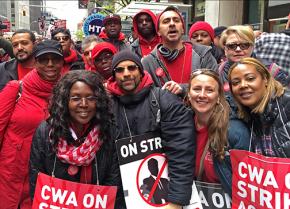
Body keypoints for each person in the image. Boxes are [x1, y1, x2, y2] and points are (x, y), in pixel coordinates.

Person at [107, 50, 196, 209]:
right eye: (119, 70)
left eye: (131, 68)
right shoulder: (106, 106)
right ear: (113, 76)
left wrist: (176, 200)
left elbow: (181, 151)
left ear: (141, 72)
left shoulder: (164, 100)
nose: (126, 74)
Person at [29, 70, 126, 209]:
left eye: (91, 98)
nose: (84, 104)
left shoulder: (110, 132)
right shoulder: (45, 132)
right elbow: (36, 180)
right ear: (64, 101)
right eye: (76, 98)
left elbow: (114, 183)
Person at [0, 40, 64, 209]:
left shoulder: (69, 93)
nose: (50, 64)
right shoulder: (16, 89)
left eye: (55, 59)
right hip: (11, 174)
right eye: (44, 60)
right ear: (35, 62)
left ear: (62, 62)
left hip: (48, 173)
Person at [186, 69, 250, 196]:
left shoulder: (235, 131)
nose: (202, 95)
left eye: (209, 90)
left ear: (218, 96)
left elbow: (246, 185)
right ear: (188, 94)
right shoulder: (181, 125)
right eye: (197, 89)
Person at [142, 6, 218, 97]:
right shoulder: (148, 62)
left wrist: (183, 89)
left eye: (176, 20)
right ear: (158, 31)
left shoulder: (203, 55)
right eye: (166, 21)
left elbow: (215, 86)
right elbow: (147, 96)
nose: (172, 24)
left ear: (182, 29)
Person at [228, 57, 290, 158]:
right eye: (236, 83)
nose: (242, 85)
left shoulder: (287, 105)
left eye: (250, 78)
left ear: (265, 79)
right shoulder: (244, 116)